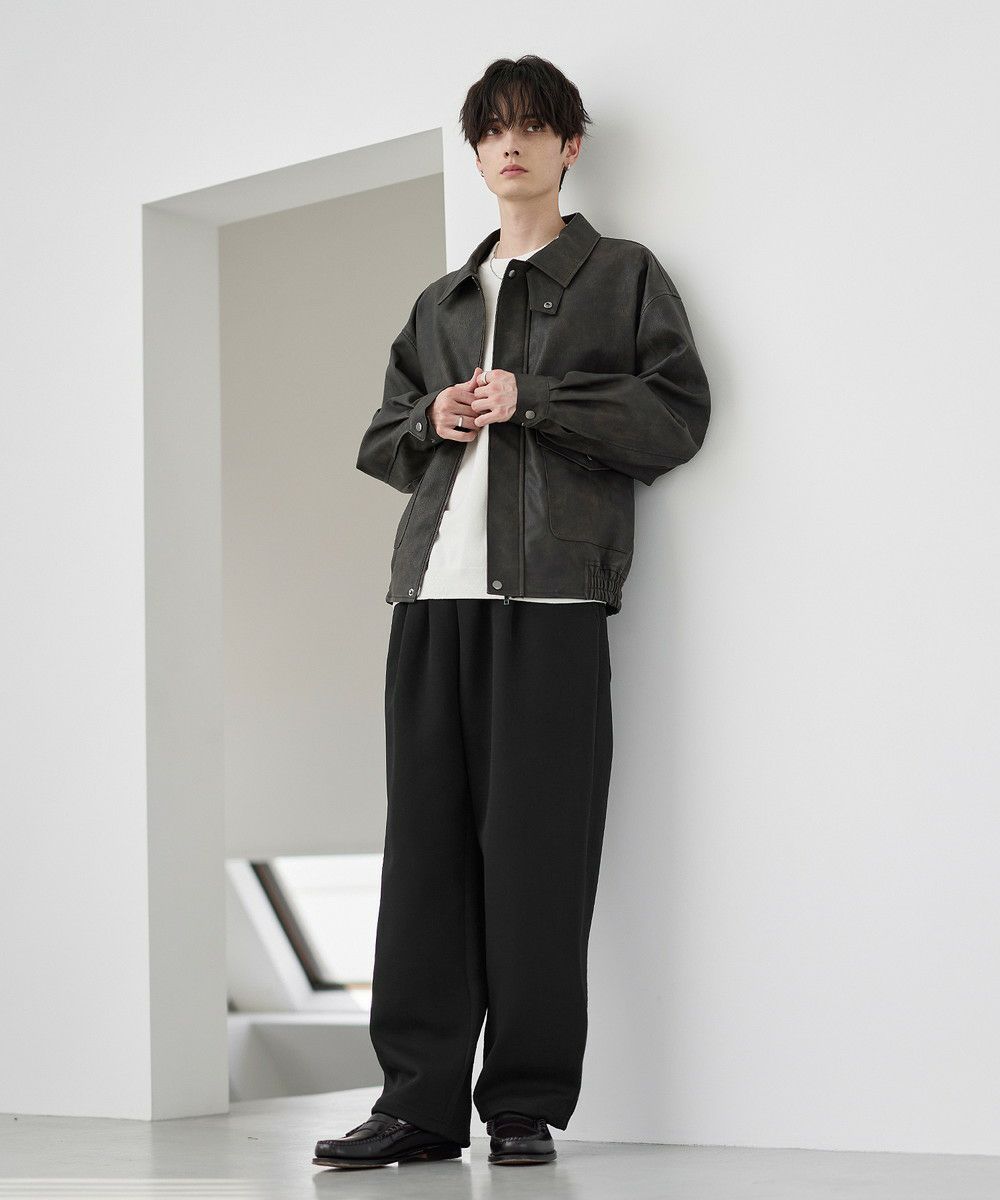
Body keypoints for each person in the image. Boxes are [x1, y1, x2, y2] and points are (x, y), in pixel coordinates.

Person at [313, 54, 710, 1171]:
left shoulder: (621, 275)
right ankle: (417, 1106)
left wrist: (535, 400)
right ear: (478, 151)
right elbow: (382, 438)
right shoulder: (443, 302)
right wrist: (431, 417)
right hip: (429, 597)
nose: (511, 146)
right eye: (493, 130)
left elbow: (674, 415)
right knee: (423, 857)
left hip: (551, 596)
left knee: (538, 854)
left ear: (568, 147)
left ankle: (523, 1103)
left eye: (533, 127)